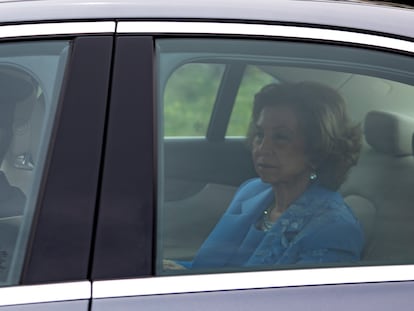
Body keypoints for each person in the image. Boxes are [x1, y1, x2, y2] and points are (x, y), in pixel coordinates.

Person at [164, 81, 364, 271]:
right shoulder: (252, 191)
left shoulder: (334, 231)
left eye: (281, 137)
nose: (262, 149)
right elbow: (209, 269)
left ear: (318, 150)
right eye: (260, 135)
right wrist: (178, 270)